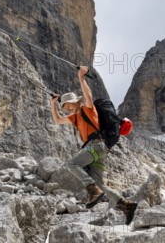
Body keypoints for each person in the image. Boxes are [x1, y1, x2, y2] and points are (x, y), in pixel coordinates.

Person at [50, 66, 138, 225]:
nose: (67, 109)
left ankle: (92, 190)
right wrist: (54, 104)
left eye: (68, 106)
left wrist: (81, 78)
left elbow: (88, 95)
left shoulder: (88, 109)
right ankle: (126, 205)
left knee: (71, 164)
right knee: (100, 184)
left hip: (96, 145)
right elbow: (57, 120)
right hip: (99, 151)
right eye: (65, 108)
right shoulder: (75, 118)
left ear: (75, 102)